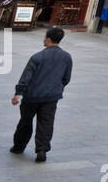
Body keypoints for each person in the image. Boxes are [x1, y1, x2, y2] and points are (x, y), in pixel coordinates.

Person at [10, 27, 73, 163]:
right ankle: (42, 150)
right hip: (51, 97)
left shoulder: (37, 57)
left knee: (25, 121)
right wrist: (57, 88)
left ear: (48, 39)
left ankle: (18, 147)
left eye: (44, 37)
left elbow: (26, 77)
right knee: (46, 123)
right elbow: (66, 78)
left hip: (32, 96)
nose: (43, 40)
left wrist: (18, 93)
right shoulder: (67, 57)